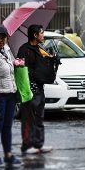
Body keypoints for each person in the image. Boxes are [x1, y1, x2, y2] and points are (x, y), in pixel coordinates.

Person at [17, 24, 59, 155]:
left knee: (39, 118)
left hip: (40, 89)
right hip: (30, 90)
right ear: (35, 35)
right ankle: (27, 145)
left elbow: (42, 67)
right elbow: (22, 70)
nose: (43, 35)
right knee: (29, 118)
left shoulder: (40, 49)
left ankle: (38, 144)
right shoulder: (25, 50)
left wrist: (52, 60)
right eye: (41, 33)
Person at [0, 25, 22, 168]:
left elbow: (11, 69)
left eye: (3, 37)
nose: (0, 40)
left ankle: (8, 154)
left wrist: (17, 64)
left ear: (7, 38)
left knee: (7, 126)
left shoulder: (7, 51)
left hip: (11, 94)